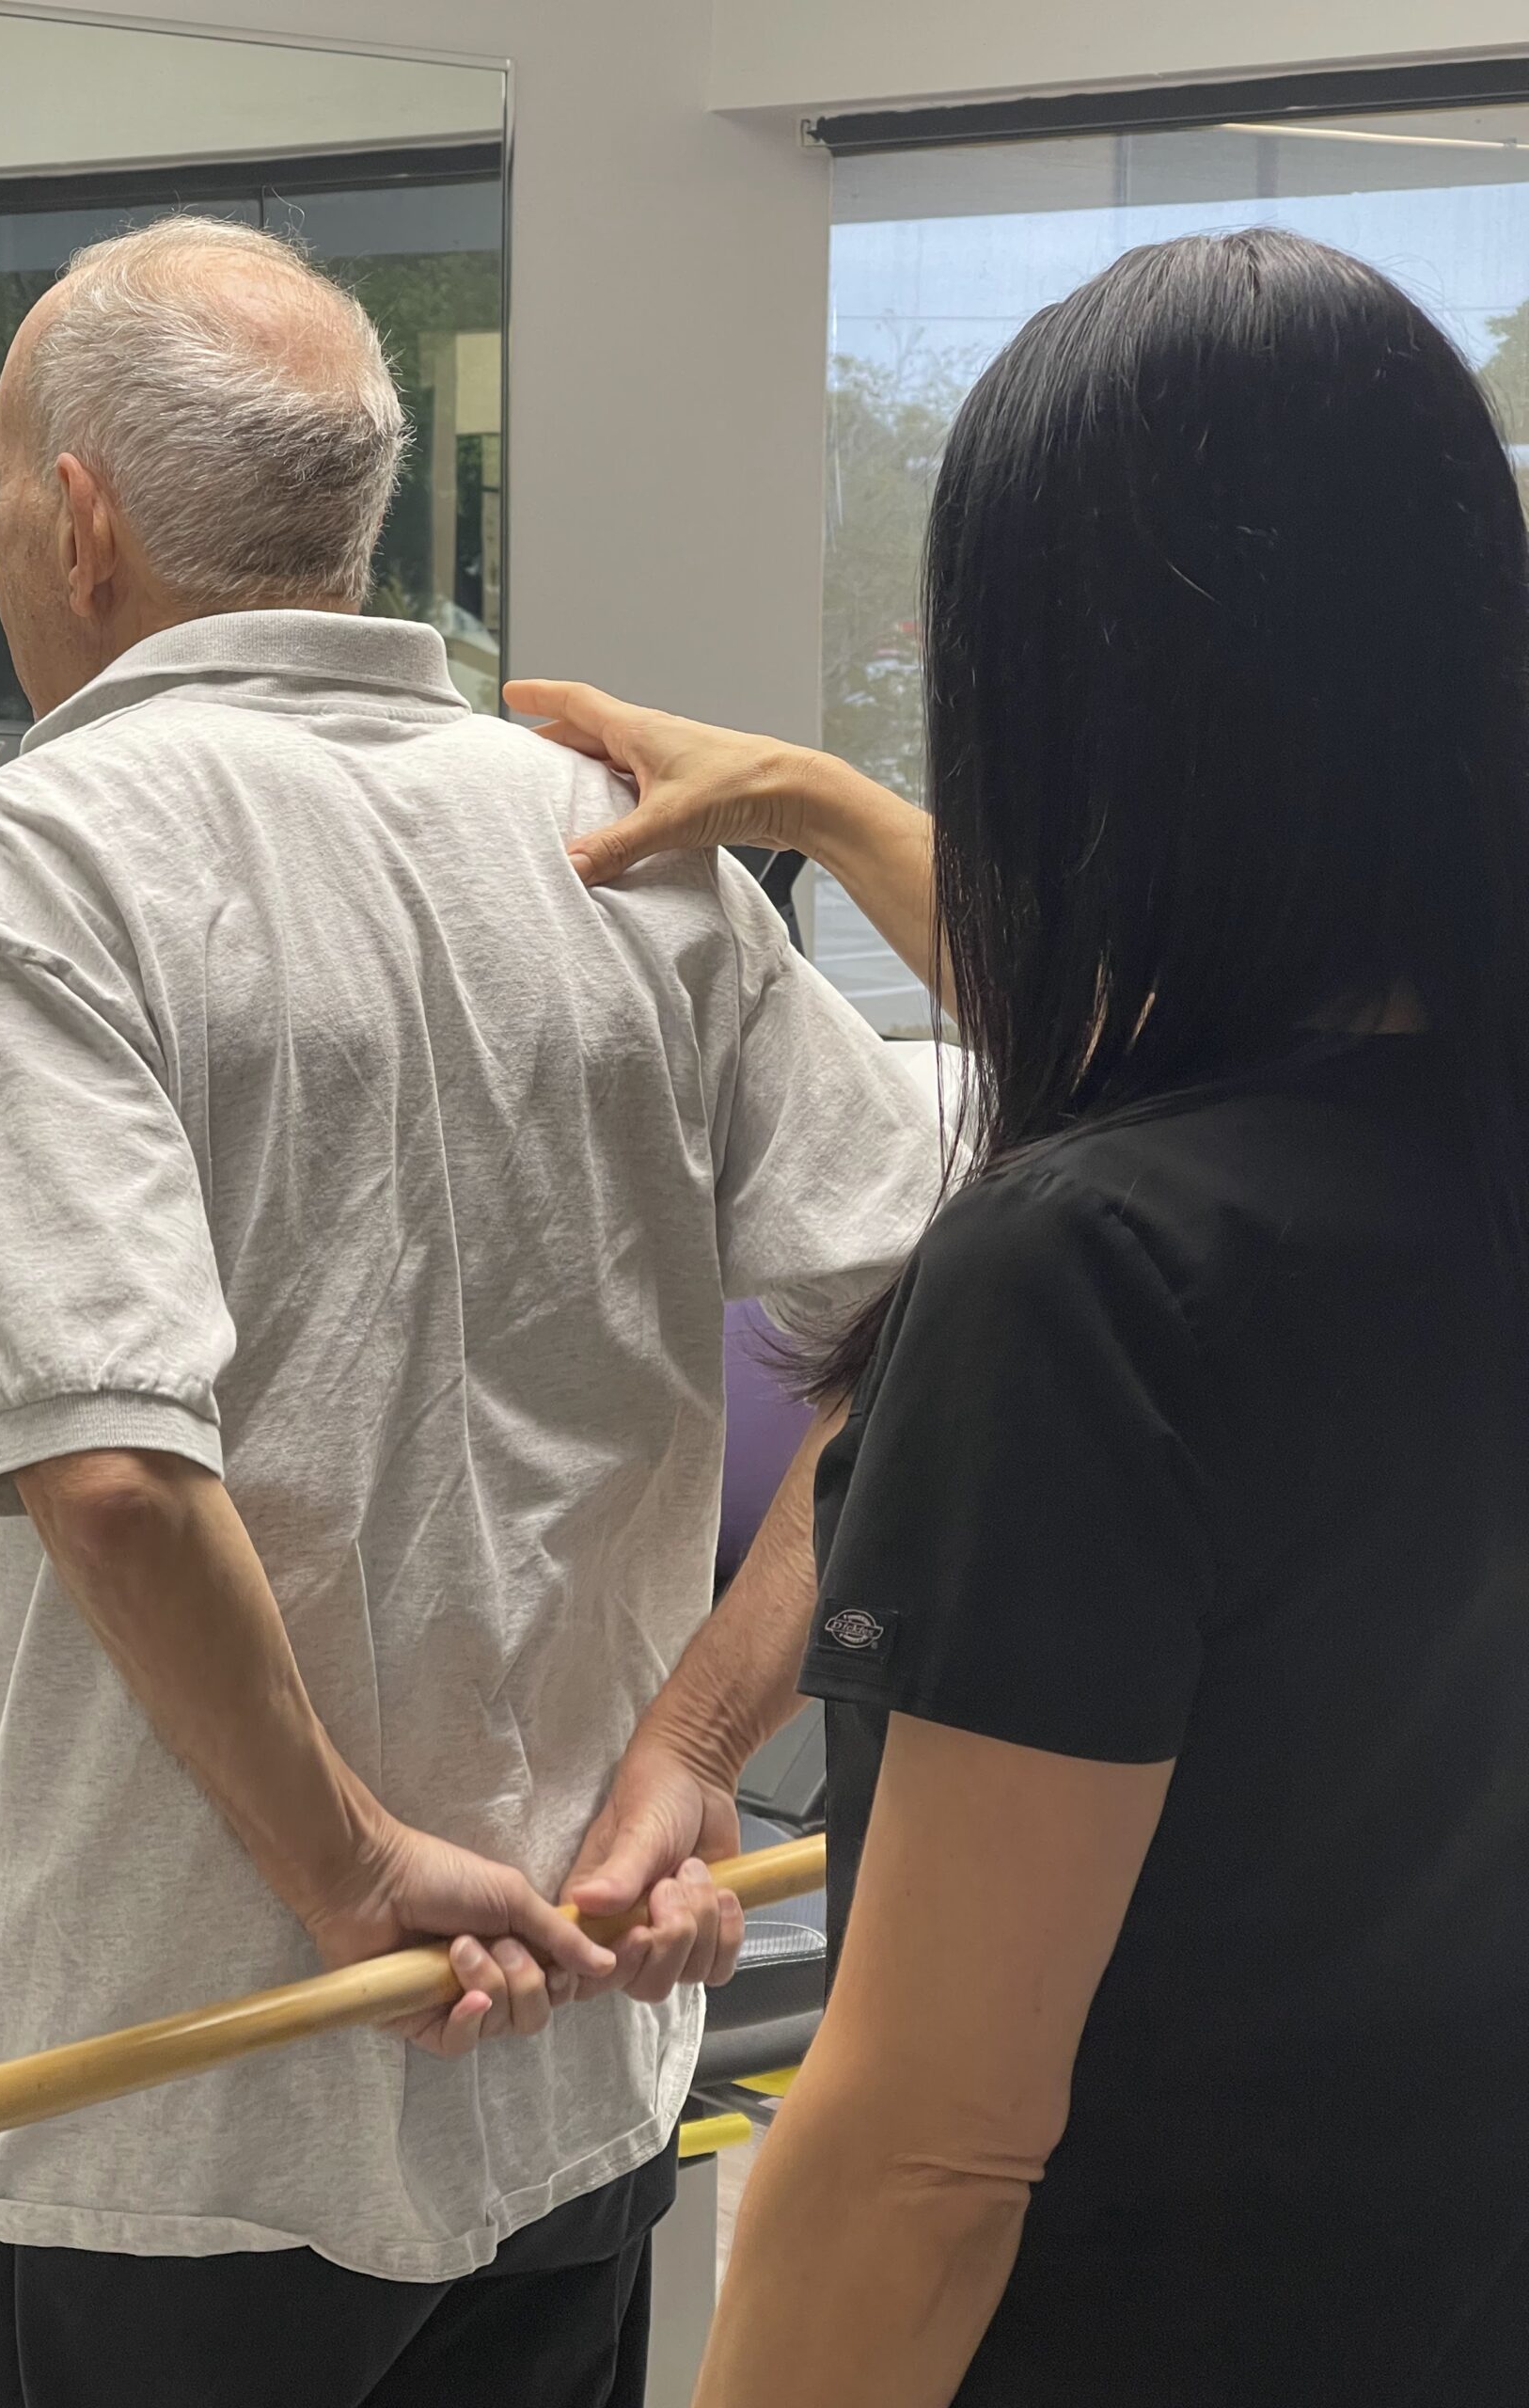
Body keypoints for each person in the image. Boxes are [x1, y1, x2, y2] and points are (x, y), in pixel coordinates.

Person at [0, 215, 941, 2408]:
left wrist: (354, 1871)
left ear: (79, 522)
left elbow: (115, 1482)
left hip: (173, 2115)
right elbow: (942, 1334)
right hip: (572, 2053)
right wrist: (698, 1749)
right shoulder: (622, 840)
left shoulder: (34, 855)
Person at [509, 227, 1529, 2405]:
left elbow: (927, 2157)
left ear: (1066, 711)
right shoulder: (1430, 1144)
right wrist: (798, 799)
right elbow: (1201, 1045)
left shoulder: (1085, 1285)